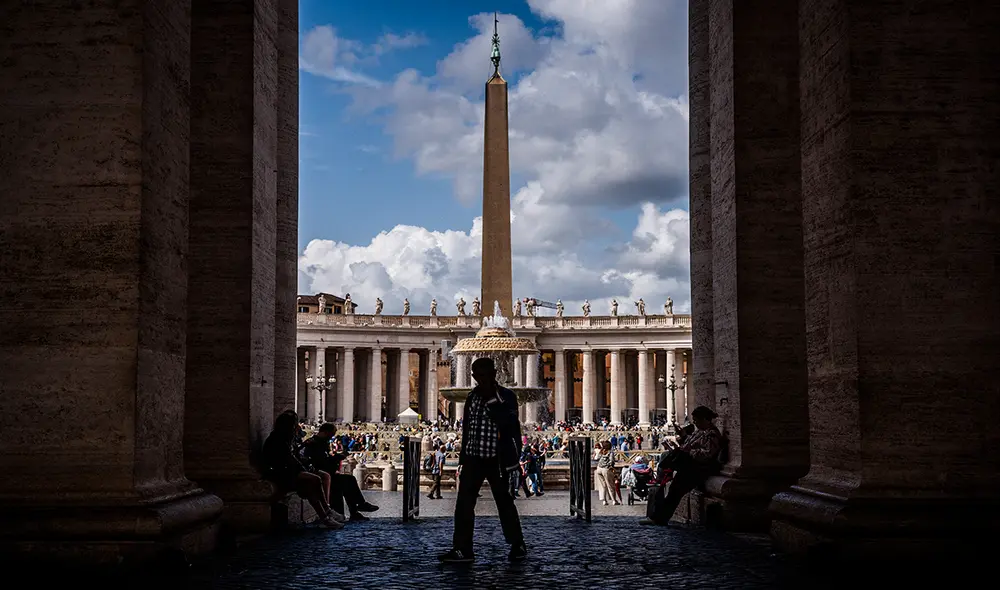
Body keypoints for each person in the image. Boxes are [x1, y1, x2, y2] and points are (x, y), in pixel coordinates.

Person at [439, 357, 527, 564]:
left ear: (493, 374)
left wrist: (492, 399)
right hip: (473, 458)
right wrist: (463, 458)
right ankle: (462, 549)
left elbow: (509, 424)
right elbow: (468, 428)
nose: (478, 379)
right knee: (463, 505)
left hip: (497, 459)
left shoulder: (506, 396)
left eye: (482, 374)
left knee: (504, 503)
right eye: (475, 375)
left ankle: (518, 544)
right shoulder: (472, 397)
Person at [639, 406, 724, 526]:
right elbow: (689, 443)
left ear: (705, 419)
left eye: (696, 420)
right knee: (673, 490)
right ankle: (658, 517)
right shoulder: (700, 432)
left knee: (675, 492)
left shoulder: (712, 434)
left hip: (698, 469)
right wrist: (682, 437)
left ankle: (659, 518)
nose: (694, 422)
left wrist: (689, 451)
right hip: (690, 467)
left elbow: (708, 454)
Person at [260, 411, 344, 529]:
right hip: (281, 473)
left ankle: (325, 515)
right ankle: (326, 512)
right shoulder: (279, 440)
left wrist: (305, 465)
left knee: (313, 484)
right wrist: (304, 468)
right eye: (294, 425)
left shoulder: (286, 439)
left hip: (288, 471)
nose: (297, 427)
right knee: (315, 479)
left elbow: (294, 457)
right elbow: (288, 460)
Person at [300, 423, 380, 521]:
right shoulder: (313, 444)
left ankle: (357, 509)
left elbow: (325, 460)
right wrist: (338, 457)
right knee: (344, 482)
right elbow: (320, 462)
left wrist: (336, 459)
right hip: (319, 475)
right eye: (331, 434)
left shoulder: (321, 442)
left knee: (349, 479)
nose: (332, 437)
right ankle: (357, 508)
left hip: (326, 473)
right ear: (325, 432)